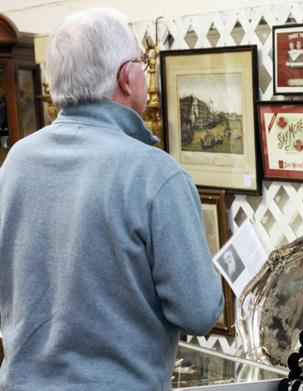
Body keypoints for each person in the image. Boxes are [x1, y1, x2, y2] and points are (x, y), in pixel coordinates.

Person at [0, 8, 224, 390]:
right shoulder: (154, 173)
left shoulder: (16, 160)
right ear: (127, 77)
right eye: (140, 62)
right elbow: (200, 313)